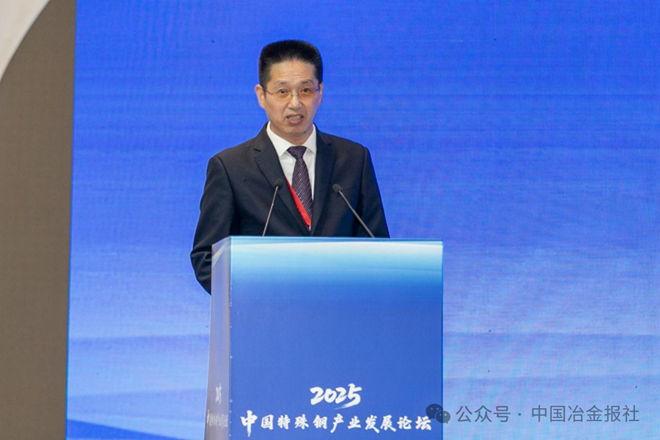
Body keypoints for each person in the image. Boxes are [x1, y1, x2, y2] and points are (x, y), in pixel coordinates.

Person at [191, 40, 389, 293]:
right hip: (265, 311)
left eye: (305, 90)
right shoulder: (230, 167)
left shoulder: (354, 159)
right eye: (282, 91)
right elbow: (208, 259)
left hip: (340, 309)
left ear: (320, 93)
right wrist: (255, 299)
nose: (295, 103)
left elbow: (377, 247)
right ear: (262, 96)